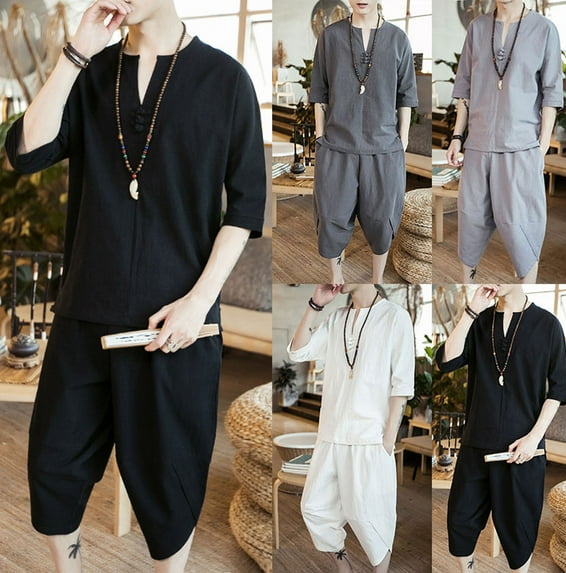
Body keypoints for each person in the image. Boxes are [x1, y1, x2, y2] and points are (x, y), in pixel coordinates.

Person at [4, 1, 266, 571]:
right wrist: (75, 53)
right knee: (53, 469)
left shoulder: (226, 80)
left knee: (170, 484)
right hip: (83, 314)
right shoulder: (90, 71)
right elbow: (25, 153)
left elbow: (246, 208)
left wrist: (199, 304)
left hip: (175, 325)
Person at [436, 284, 566, 572]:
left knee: (519, 532)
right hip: (475, 444)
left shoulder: (548, 325)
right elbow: (446, 362)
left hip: (522, 450)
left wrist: (534, 439)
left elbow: (558, 390)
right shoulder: (479, 320)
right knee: (460, 523)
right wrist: (471, 311)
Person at [288, 283, 414, 573]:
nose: (337, 275)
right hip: (330, 435)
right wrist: (315, 304)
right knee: (314, 508)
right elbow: (298, 351)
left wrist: (387, 440)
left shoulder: (395, 316)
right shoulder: (336, 318)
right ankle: (344, 567)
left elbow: (402, 384)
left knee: (370, 518)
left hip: (369, 439)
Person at [446, 0, 563, 283]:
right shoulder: (477, 28)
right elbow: (464, 87)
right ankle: (468, 288)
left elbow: (551, 93)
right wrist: (457, 136)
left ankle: (527, 291)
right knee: (470, 222)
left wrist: (541, 149)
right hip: (478, 145)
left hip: (521, 147)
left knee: (523, 228)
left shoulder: (544, 29)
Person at [309, 0, 418, 284]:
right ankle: (336, 279)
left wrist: (403, 138)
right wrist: (320, 135)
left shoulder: (398, 39)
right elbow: (319, 90)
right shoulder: (330, 37)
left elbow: (406, 94)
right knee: (331, 218)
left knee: (382, 220)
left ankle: (377, 280)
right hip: (336, 146)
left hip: (384, 148)